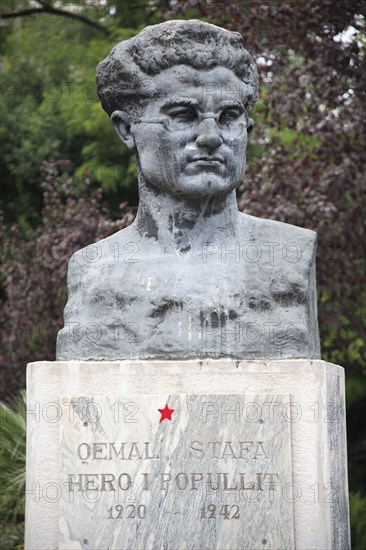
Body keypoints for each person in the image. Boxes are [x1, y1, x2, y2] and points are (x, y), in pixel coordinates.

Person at [56, 19, 320, 361]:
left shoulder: (289, 255)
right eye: (183, 115)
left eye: (228, 117)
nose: (211, 137)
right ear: (127, 129)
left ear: (247, 129)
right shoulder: (94, 269)